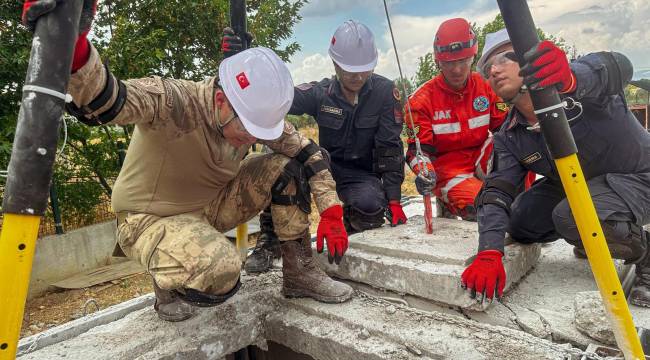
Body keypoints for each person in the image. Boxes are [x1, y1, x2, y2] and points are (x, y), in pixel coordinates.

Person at [23, 0, 354, 322]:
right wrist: (75, 45)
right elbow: (106, 101)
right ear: (221, 100)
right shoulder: (172, 101)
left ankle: (299, 275)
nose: (254, 140)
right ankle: (167, 282)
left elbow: (308, 152)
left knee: (290, 165)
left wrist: (332, 210)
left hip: (210, 206)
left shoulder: (246, 114)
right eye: (249, 130)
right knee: (221, 271)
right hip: (148, 219)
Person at [461, 28, 650, 307]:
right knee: (520, 221)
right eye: (488, 68)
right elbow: (496, 191)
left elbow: (617, 66)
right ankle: (590, 236)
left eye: (504, 59)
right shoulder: (511, 135)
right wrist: (489, 251)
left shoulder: (578, 90)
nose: (494, 71)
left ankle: (645, 254)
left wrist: (572, 78)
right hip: (578, 183)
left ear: (528, 58)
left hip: (638, 178)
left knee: (572, 215)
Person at [222, 20, 406, 273]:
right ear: (335, 64)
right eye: (350, 70)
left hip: (360, 175)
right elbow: (275, 96)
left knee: (371, 207)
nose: (358, 77)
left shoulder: (385, 92)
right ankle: (270, 238)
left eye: (365, 69)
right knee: (278, 159)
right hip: (321, 167)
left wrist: (394, 198)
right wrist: (243, 65)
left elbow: (390, 146)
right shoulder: (320, 93)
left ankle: (349, 226)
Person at [405, 18, 510, 221]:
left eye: (463, 61)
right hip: (449, 171)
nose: (457, 70)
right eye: (449, 63)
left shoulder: (486, 86)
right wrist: (424, 172)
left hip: (481, 157)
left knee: (519, 152)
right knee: (485, 206)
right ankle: (452, 201)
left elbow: (505, 131)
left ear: (473, 57)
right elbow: (417, 151)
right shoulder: (420, 101)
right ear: (438, 61)